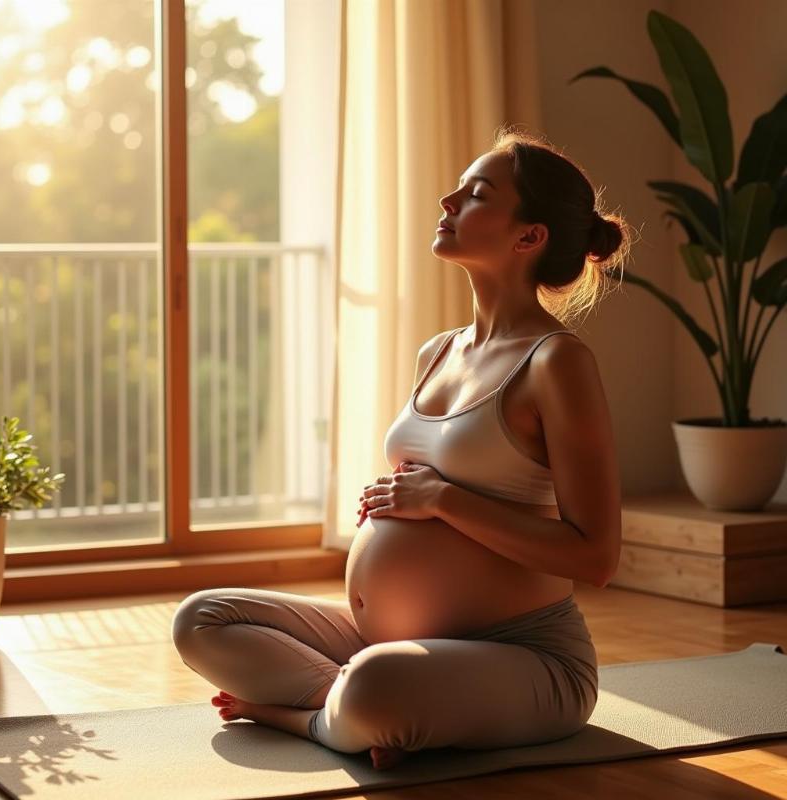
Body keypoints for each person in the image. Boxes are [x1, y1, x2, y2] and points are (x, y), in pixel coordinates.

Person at [171, 125, 628, 771]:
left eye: (475, 195)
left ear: (529, 236)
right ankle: (356, 716)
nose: (447, 200)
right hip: (384, 640)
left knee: (377, 684)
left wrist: (441, 500)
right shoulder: (438, 351)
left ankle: (313, 716)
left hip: (526, 658)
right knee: (201, 619)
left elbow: (597, 555)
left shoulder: (557, 363)